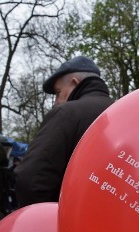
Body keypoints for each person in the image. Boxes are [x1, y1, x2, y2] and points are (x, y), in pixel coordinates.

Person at [15, 56, 115, 207]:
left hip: (72, 223)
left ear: (74, 82)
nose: (56, 101)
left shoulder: (66, 113)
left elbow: (30, 179)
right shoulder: (125, 113)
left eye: (57, 92)